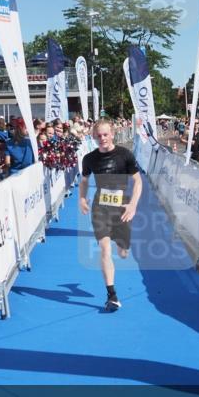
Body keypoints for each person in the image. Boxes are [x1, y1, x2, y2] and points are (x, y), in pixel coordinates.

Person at [79, 119, 142, 313]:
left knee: (123, 253)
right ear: (93, 137)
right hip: (101, 209)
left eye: (105, 134)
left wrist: (132, 205)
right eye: (98, 136)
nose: (102, 138)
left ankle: (123, 244)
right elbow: (84, 180)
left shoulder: (125, 155)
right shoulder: (89, 158)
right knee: (104, 249)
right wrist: (82, 198)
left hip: (122, 208)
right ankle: (112, 295)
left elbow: (138, 181)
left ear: (112, 134)